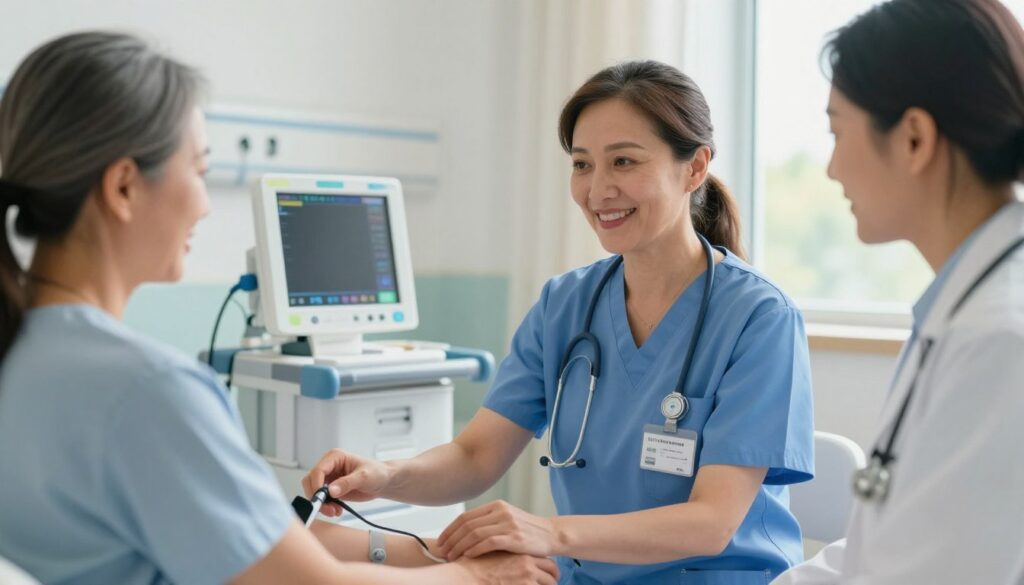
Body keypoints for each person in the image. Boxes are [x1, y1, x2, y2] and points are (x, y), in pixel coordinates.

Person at [0, 31, 558, 585]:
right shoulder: (149, 391)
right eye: (198, 170)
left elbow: (264, 541)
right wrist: (480, 578)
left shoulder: (26, 355)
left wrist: (435, 552)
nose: (203, 203)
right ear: (123, 187)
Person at [303, 60, 815, 584]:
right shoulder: (566, 304)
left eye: (623, 162)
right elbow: (475, 456)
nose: (598, 190)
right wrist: (385, 476)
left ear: (695, 167)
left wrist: (550, 533)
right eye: (582, 164)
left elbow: (711, 523)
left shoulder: (759, 318)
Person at [773, 1, 1024, 583]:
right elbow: (876, 549)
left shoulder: (998, 341)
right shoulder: (963, 313)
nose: (832, 169)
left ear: (914, 138)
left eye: (837, 131)